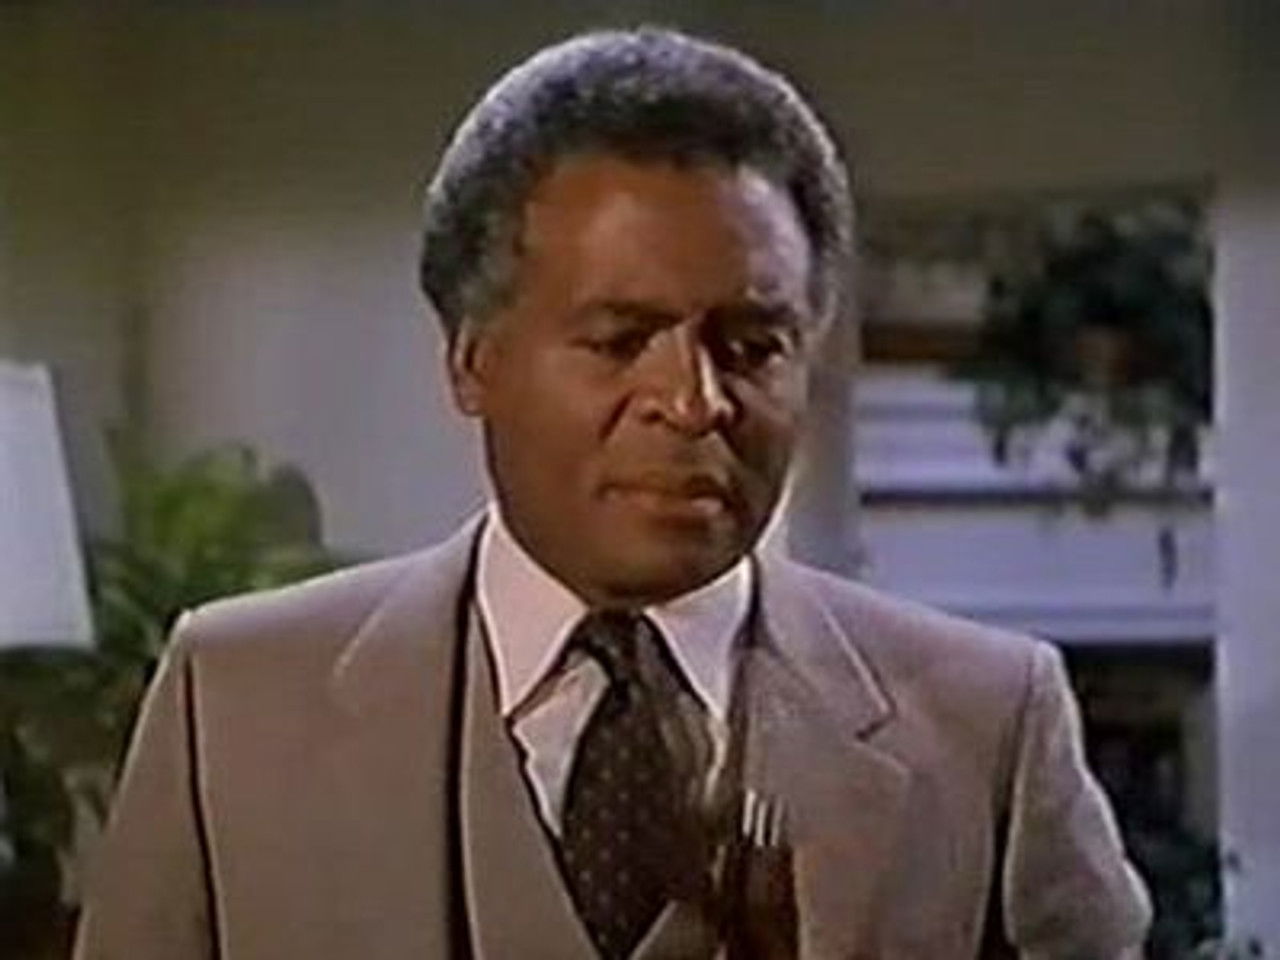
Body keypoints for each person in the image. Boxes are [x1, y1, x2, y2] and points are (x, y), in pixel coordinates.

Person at [74, 27, 1151, 960]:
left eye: (753, 345)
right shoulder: (236, 703)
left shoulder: (986, 726)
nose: (694, 402)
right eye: (619, 339)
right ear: (472, 360)